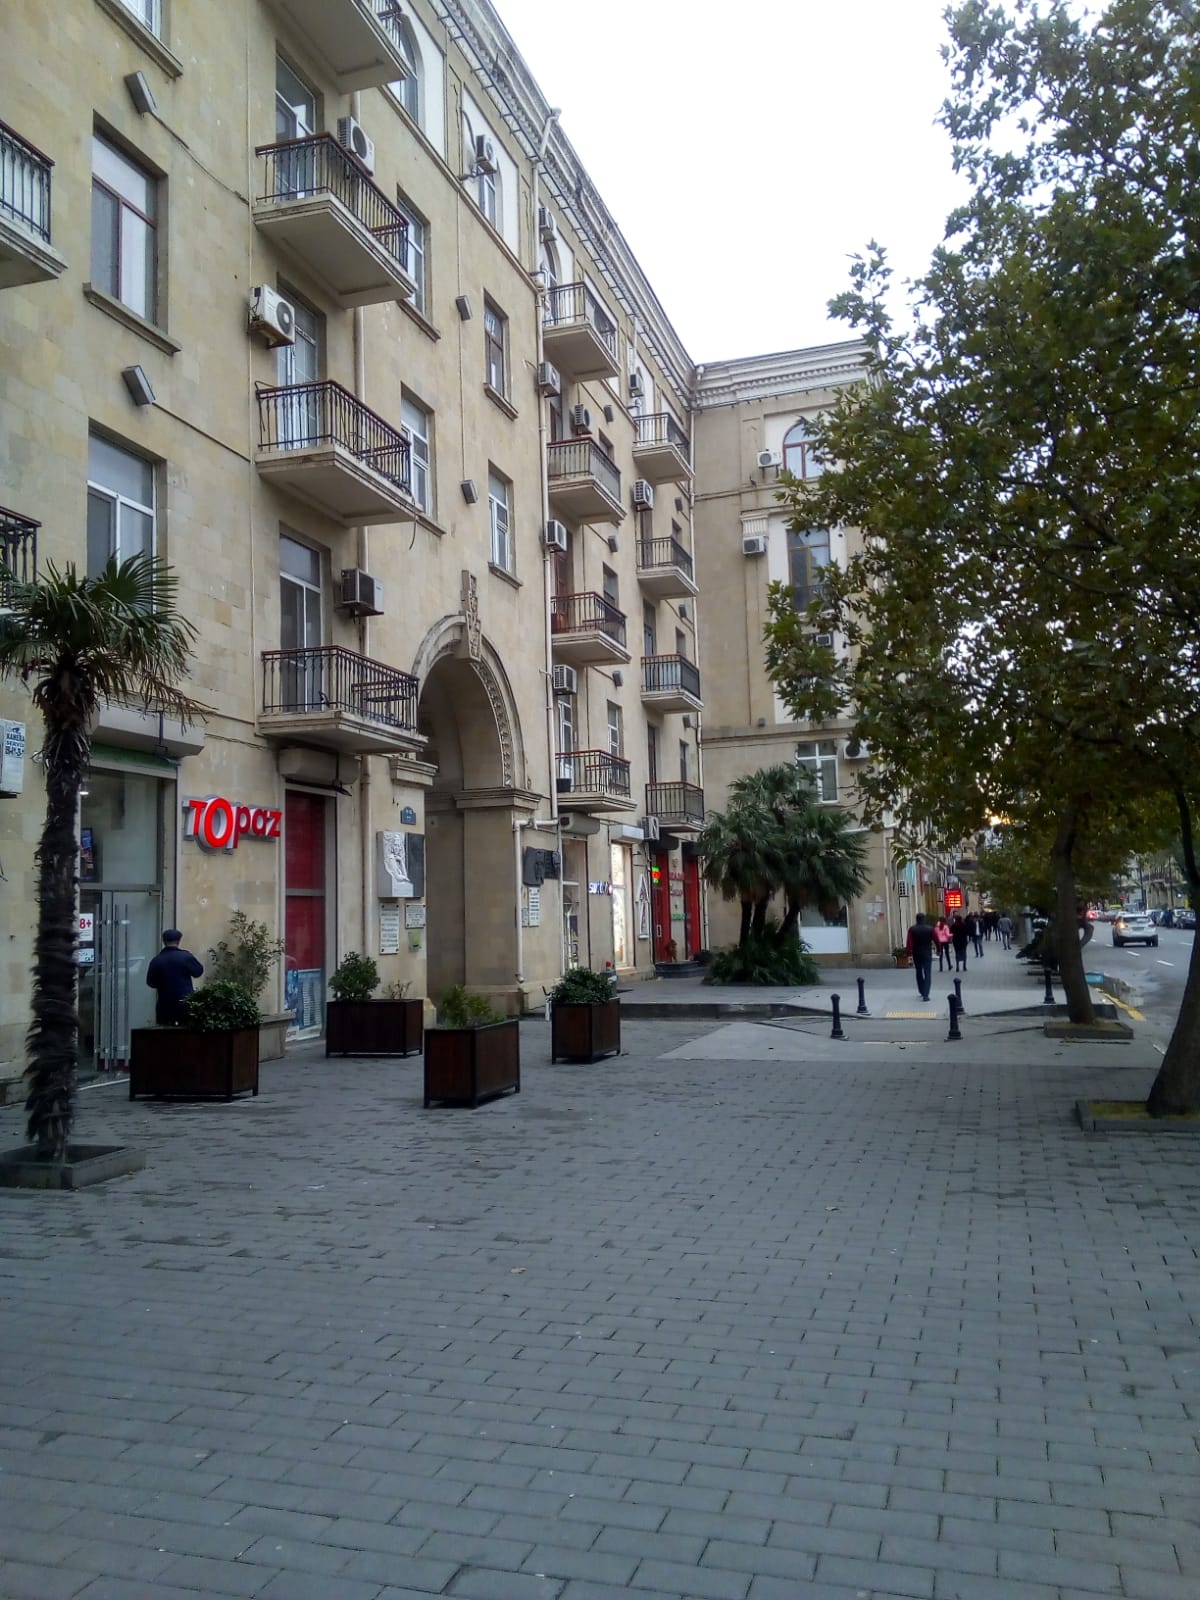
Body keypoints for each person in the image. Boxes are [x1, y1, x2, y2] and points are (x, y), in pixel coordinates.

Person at [146, 929, 204, 1026]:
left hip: (164, 1005)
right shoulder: (186, 957)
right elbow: (198, 972)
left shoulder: (156, 960)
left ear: (164, 942)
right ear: (178, 941)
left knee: (165, 1031)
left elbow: (151, 982)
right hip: (185, 1003)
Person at [906, 913, 935, 1003]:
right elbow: (936, 939)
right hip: (927, 952)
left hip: (916, 953)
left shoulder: (912, 929)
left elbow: (909, 943)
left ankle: (921, 990)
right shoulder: (930, 929)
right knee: (927, 972)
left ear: (916, 919)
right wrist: (939, 949)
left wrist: (909, 954)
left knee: (918, 972)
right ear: (924, 919)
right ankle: (926, 994)